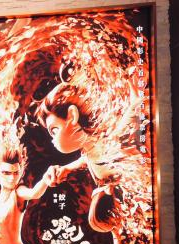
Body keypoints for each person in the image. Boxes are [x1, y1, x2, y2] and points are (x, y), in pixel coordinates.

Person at [35, 83, 123, 233]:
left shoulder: (107, 148)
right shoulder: (93, 148)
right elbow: (89, 159)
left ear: (72, 116)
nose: (53, 140)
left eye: (54, 130)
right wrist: (67, 168)